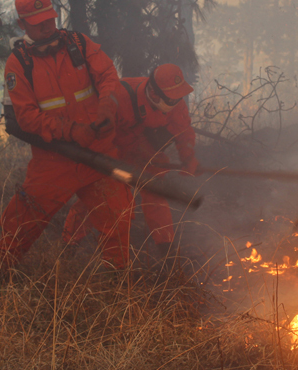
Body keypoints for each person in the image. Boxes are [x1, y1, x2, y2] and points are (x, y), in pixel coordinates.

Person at [0, 0, 133, 271]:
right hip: (55, 162)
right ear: (22, 25)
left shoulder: (78, 43)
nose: (46, 26)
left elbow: (107, 75)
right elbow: (27, 118)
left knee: (117, 219)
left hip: (99, 154)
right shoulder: (18, 64)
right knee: (23, 222)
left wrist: (107, 103)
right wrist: (71, 131)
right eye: (37, 22)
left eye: (49, 19)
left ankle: (119, 284)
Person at [62, 63, 197, 258]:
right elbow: (96, 133)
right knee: (98, 196)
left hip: (144, 152)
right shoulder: (118, 96)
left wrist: (188, 157)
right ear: (154, 93)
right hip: (110, 151)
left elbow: (183, 131)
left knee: (155, 192)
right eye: (172, 98)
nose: (177, 101)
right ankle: (70, 245)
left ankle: (167, 252)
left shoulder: (174, 100)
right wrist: (114, 164)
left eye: (179, 96)